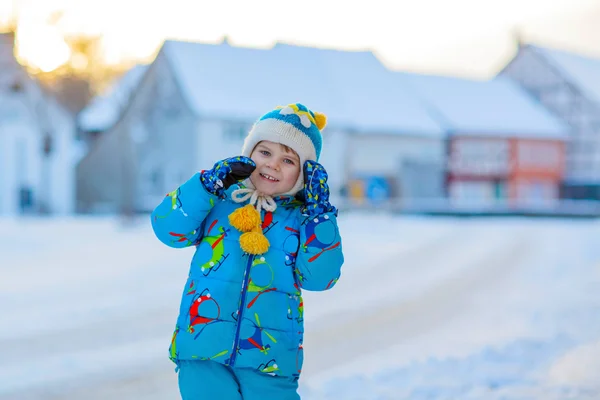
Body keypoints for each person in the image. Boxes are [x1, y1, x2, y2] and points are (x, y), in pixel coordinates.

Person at [151, 103, 345, 400]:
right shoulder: (219, 200)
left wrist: (319, 218)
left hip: (271, 361)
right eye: (265, 152)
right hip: (203, 349)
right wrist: (206, 186)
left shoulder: (301, 219)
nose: (273, 165)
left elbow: (321, 278)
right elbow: (169, 229)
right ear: (249, 152)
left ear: (304, 174)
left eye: (288, 160)